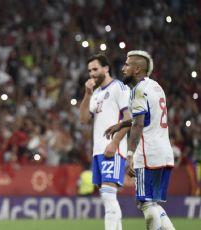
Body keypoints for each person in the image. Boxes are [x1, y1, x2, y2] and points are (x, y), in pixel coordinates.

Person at [104, 50, 175, 230]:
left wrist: (129, 155)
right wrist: (121, 125)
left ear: (137, 69)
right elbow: (145, 117)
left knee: (146, 204)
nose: (123, 68)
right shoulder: (155, 87)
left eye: (127, 65)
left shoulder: (138, 90)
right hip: (164, 153)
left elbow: (139, 125)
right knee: (153, 203)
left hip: (148, 154)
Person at [79, 54, 131, 230]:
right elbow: (83, 119)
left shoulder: (119, 88)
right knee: (108, 197)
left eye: (95, 69)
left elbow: (129, 119)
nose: (92, 73)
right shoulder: (96, 94)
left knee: (109, 197)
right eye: (89, 70)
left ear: (106, 68)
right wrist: (87, 94)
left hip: (112, 148)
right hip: (99, 150)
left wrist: (114, 143)